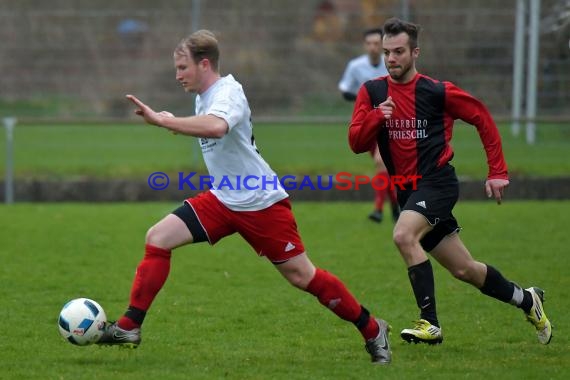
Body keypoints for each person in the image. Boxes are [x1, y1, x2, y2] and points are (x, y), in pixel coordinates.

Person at [96, 29, 391, 364]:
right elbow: (205, 124)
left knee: (302, 276)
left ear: (204, 64)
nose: (177, 75)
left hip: (260, 202)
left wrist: (166, 121)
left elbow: (217, 127)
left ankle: (371, 329)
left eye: (182, 68)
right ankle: (129, 326)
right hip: (223, 199)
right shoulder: (202, 96)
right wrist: (167, 121)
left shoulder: (229, 91)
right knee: (158, 237)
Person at [348, 18, 552, 345]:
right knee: (465, 269)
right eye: (387, 52)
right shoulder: (372, 92)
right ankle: (527, 299)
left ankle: (430, 323)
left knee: (403, 235)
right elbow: (356, 143)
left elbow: (481, 117)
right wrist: (377, 117)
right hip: (408, 190)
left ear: (415, 52)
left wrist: (497, 171)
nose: (391, 59)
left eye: (399, 51)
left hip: (437, 183)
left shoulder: (436, 91)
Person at [338, 28, 400, 224]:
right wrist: (364, 99)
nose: (373, 47)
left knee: (383, 164)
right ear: (365, 45)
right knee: (385, 166)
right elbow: (344, 89)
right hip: (367, 123)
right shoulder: (356, 66)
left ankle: (379, 209)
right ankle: (394, 207)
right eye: (370, 43)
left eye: (377, 43)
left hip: (392, 122)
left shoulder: (391, 63)